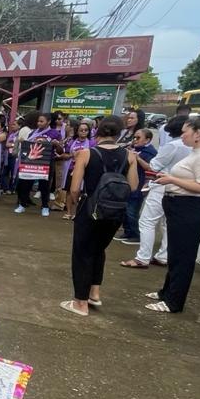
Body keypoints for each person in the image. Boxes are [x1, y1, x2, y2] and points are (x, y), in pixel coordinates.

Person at [61, 115, 139, 316]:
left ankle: (80, 303)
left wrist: (77, 204)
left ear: (98, 131)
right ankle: (94, 292)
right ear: (119, 133)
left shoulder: (86, 153)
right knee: (98, 250)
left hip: (90, 209)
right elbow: (133, 186)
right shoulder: (130, 156)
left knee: (82, 253)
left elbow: (75, 188)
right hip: (115, 211)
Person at [145, 114, 200, 314]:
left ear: (198, 134)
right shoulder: (196, 152)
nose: (182, 135)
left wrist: (172, 180)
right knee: (175, 254)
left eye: (186, 132)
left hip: (189, 208)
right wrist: (169, 178)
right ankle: (166, 292)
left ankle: (174, 301)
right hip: (177, 206)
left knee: (183, 258)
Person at [123, 116, 191, 268]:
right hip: (179, 187)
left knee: (147, 221)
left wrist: (136, 157)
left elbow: (153, 166)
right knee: (167, 223)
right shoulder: (191, 146)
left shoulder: (172, 145)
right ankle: (163, 256)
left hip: (163, 184)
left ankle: (143, 257)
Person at [117, 128, 158, 243]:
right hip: (129, 184)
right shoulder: (133, 148)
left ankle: (135, 234)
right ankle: (128, 232)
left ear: (147, 140)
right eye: (134, 137)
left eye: (138, 137)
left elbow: (151, 168)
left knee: (132, 210)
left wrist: (137, 158)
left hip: (140, 185)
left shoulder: (150, 152)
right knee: (126, 209)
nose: (135, 139)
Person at [14, 113, 57, 217]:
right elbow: (28, 144)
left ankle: (45, 206)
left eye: (42, 121)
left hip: (46, 162)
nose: (39, 123)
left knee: (44, 185)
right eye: (38, 121)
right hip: (32, 161)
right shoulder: (33, 132)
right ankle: (22, 204)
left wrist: (52, 143)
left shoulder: (54, 133)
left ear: (48, 122)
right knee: (26, 183)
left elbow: (59, 148)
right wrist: (23, 142)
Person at [57, 120, 94, 217]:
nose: (83, 132)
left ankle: (78, 213)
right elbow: (64, 155)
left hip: (85, 170)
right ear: (77, 131)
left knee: (81, 192)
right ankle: (69, 212)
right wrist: (71, 155)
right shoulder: (71, 142)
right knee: (70, 191)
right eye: (81, 130)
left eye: (86, 130)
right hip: (70, 169)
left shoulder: (92, 143)